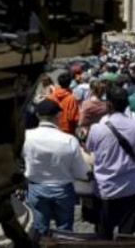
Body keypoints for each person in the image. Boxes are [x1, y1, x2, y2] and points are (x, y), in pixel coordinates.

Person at [86, 86, 135, 239]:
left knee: (103, 233)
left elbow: (90, 150)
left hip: (106, 188)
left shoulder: (96, 129)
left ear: (109, 105)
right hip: (132, 185)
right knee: (127, 233)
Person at [22, 100, 91, 236]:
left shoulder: (26, 137)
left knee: (39, 229)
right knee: (64, 230)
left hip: (37, 188)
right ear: (58, 116)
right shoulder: (69, 140)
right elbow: (81, 172)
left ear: (37, 115)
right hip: (63, 189)